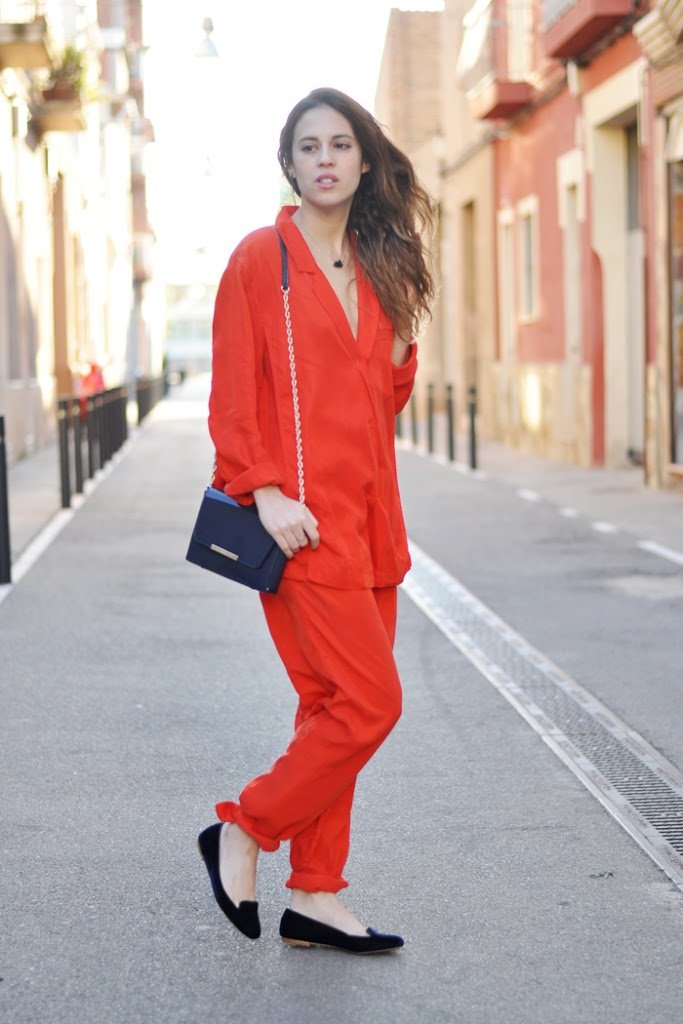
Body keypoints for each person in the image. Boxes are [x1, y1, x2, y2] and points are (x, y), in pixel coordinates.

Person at [198, 87, 433, 954]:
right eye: (308, 146)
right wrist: (264, 493)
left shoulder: (379, 263)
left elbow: (380, 401)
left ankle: (314, 895)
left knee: (329, 709)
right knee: (370, 703)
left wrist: (401, 344)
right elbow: (233, 396)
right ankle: (245, 827)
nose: (325, 158)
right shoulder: (260, 259)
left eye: (339, 144)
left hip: (373, 524)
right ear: (290, 165)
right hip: (300, 526)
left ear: (364, 161)